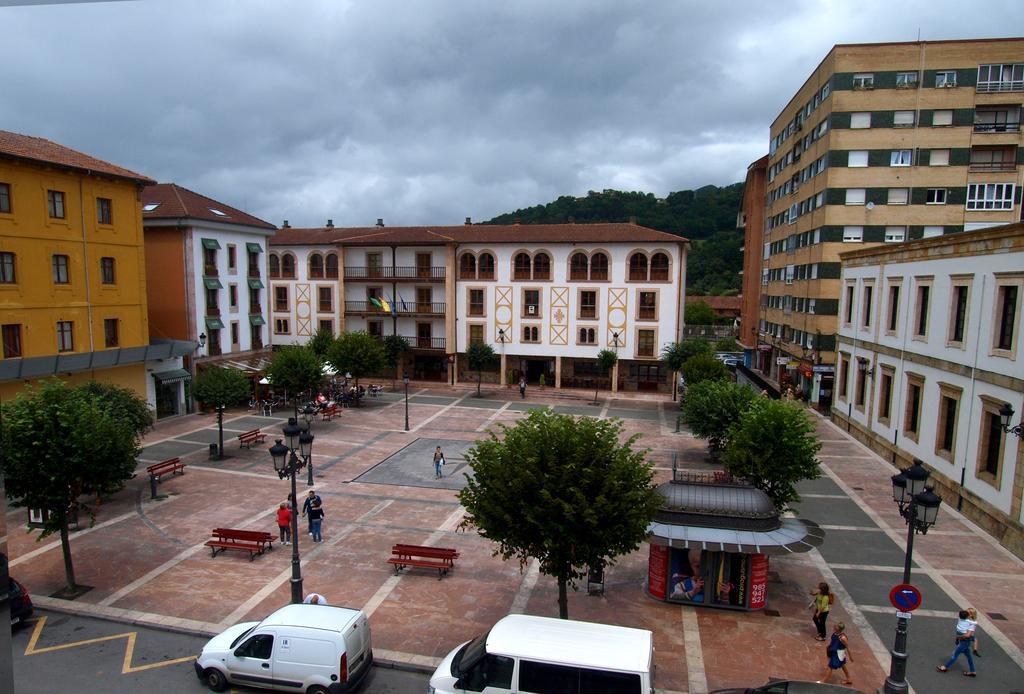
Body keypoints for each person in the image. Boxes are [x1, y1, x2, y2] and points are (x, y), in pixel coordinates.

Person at [937, 609, 977, 676]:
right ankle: (973, 671)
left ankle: (945, 667)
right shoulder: (965, 620)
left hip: (965, 641)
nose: (966, 612)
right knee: (969, 657)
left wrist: (958, 637)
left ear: (971, 615)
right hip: (963, 641)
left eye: (968, 612)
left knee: (955, 654)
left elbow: (967, 635)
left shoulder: (971, 624)